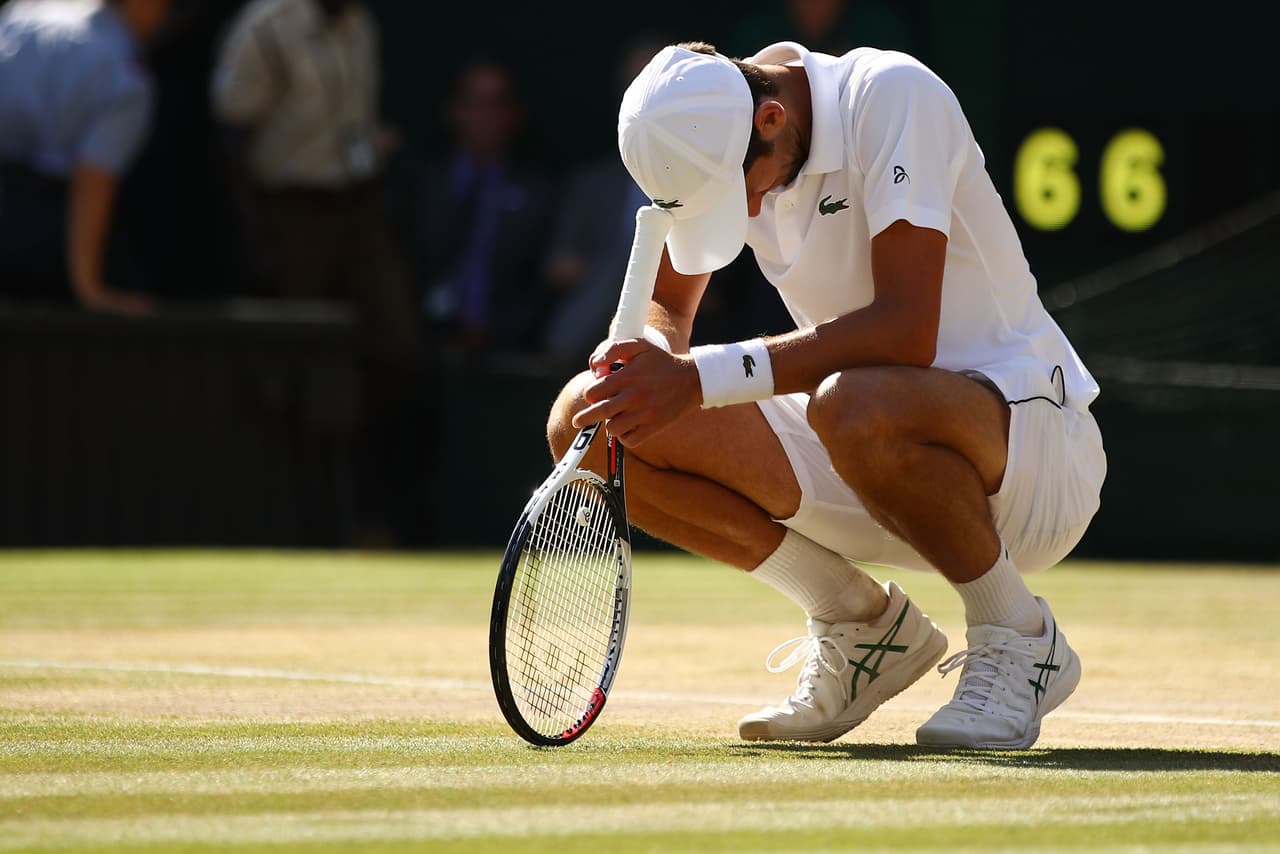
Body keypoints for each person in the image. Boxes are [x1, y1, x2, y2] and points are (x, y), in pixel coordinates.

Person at [547, 41, 1107, 749]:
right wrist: (647, 358)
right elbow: (670, 307)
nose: (750, 209)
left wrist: (693, 378)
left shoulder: (893, 94)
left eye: (744, 191)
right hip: (862, 449)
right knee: (591, 420)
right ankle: (863, 626)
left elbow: (906, 331)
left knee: (851, 402)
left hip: (1033, 460)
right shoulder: (714, 133)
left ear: (772, 118)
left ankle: (1019, 634)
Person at [211, 0, 434, 548]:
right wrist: (253, 237)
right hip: (289, 208)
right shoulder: (266, 28)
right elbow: (231, 132)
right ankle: (293, 521)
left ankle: (385, 514)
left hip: (358, 204)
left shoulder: (359, 22)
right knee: (295, 362)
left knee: (400, 347)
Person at [0, 0, 171, 314]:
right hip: (43, 228)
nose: (167, 15)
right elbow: (93, 180)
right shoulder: (123, 75)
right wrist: (90, 291)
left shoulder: (22, 15)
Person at [411, 57, 556, 360]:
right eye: (475, 103)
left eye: (497, 104)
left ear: (514, 114)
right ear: (454, 110)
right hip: (420, 343)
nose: (486, 116)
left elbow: (541, 281)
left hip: (512, 348)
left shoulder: (539, 193)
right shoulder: (421, 185)